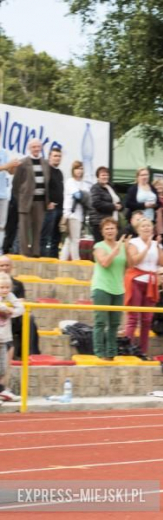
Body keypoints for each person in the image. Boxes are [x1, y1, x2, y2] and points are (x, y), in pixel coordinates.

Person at [124, 218, 163, 355]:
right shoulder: (134, 242)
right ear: (138, 229)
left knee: (147, 319)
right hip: (136, 280)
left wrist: (158, 247)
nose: (147, 228)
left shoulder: (156, 243)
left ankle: (143, 350)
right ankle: (128, 348)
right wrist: (147, 247)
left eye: (149, 226)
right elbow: (134, 261)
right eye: (143, 226)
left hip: (151, 281)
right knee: (133, 317)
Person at [91, 218, 128, 360]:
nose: (110, 231)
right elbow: (105, 262)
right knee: (100, 322)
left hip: (119, 289)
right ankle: (99, 353)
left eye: (112, 228)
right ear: (102, 232)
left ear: (117, 230)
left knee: (114, 324)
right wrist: (115, 250)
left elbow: (130, 264)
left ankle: (112, 353)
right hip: (102, 288)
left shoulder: (122, 247)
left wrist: (127, 246)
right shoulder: (99, 246)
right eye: (107, 228)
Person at [11, 139, 51, 257]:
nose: (36, 149)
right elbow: (16, 184)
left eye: (38, 147)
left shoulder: (45, 163)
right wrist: (21, 199)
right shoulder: (23, 163)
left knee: (38, 229)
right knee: (24, 230)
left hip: (40, 201)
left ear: (41, 148)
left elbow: (47, 182)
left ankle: (35, 253)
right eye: (34, 147)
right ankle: (24, 254)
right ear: (29, 148)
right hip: (26, 202)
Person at [60, 161, 89, 261]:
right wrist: (83, 195)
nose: (79, 171)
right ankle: (76, 260)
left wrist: (84, 196)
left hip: (80, 215)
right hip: (71, 214)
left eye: (81, 168)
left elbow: (88, 198)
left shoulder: (84, 183)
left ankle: (62, 260)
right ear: (73, 170)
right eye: (77, 168)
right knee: (75, 240)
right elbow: (78, 196)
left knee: (69, 240)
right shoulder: (70, 181)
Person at [0, 273, 23, 402]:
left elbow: (21, 308)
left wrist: (12, 311)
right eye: (2, 287)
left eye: (7, 287)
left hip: (3, 338)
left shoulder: (10, 296)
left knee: (2, 368)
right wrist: (6, 308)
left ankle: (2, 390)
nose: (4, 290)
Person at [40, 147, 64, 258]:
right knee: (45, 236)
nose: (57, 158)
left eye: (59, 156)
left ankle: (53, 260)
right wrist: (48, 202)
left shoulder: (59, 172)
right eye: (55, 156)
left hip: (60, 209)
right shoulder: (46, 170)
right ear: (49, 157)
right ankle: (43, 258)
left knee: (56, 238)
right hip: (50, 209)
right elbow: (42, 187)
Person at [89, 167, 122, 243]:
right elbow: (96, 203)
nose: (105, 177)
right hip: (99, 222)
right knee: (100, 245)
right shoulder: (95, 188)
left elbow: (118, 200)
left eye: (107, 175)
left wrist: (120, 206)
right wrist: (113, 206)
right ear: (98, 177)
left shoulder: (110, 187)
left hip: (112, 221)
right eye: (103, 175)